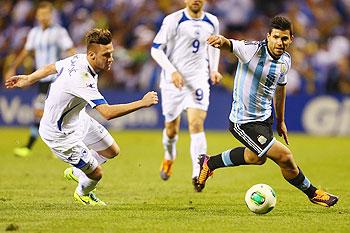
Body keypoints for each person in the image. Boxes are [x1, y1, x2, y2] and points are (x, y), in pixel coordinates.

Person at [196, 16, 338, 207]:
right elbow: (230, 44)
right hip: (243, 121)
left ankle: (209, 163)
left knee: (256, 158)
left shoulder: (285, 61)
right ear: (268, 36)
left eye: (284, 38)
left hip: (264, 119)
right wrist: (220, 41)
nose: (280, 42)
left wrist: (280, 120)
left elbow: (281, 88)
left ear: (291, 39)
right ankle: (313, 193)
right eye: (276, 37)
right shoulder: (251, 50)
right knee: (285, 157)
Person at [5, 28, 159, 206]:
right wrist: (141, 102)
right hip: (59, 134)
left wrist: (30, 78)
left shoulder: (78, 58)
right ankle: (82, 193)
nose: (111, 59)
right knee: (96, 174)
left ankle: (77, 171)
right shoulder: (82, 78)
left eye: (111, 53)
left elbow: (53, 67)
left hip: (77, 119)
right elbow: (107, 113)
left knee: (112, 151)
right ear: (92, 55)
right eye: (106, 55)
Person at [150, 0, 222, 191]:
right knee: (171, 130)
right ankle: (169, 155)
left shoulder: (212, 21)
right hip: (173, 81)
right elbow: (155, 49)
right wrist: (172, 71)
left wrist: (213, 69)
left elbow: (213, 46)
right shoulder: (173, 20)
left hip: (198, 79)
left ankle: (198, 173)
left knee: (196, 123)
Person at [5, 1, 76, 157]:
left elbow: (70, 50)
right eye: (41, 14)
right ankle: (59, 147)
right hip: (40, 79)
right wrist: (13, 67)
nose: (43, 17)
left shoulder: (59, 32)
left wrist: (76, 67)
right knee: (49, 113)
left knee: (40, 112)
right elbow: (26, 52)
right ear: (37, 15)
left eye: (46, 14)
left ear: (51, 15)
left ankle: (30, 147)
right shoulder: (34, 33)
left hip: (55, 79)